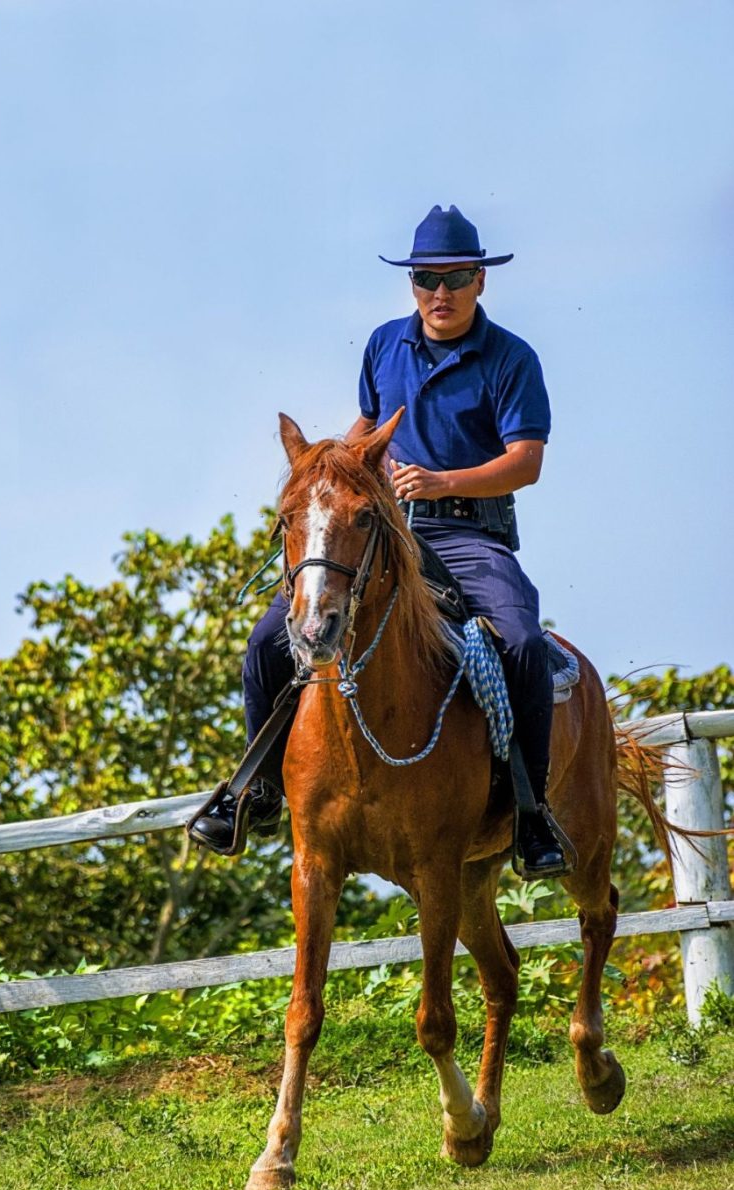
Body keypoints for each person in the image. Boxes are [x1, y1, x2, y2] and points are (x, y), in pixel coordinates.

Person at [191, 204, 571, 879]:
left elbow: (526, 462)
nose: (439, 294)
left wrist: (440, 479)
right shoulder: (382, 344)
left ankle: (531, 812)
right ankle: (254, 789)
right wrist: (332, 475)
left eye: (454, 278)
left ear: (479, 280)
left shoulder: (511, 359)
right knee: (265, 640)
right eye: (426, 279)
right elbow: (366, 425)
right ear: (412, 283)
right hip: (379, 532)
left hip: (465, 534)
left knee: (517, 640)